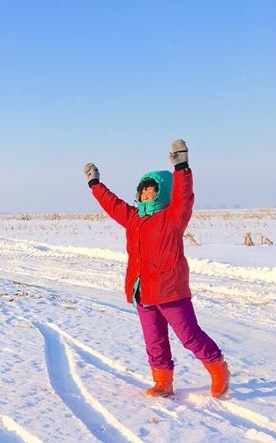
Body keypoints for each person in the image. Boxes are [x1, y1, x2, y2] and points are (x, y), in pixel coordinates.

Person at [83, 140, 230, 398]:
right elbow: (112, 204)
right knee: (154, 340)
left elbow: (184, 197)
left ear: (162, 193)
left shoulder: (173, 217)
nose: (146, 195)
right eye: (142, 191)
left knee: (189, 336)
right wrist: (95, 184)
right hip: (142, 290)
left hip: (170, 291)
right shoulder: (133, 218)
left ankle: (218, 368)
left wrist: (182, 168)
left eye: (151, 191)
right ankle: (163, 382)